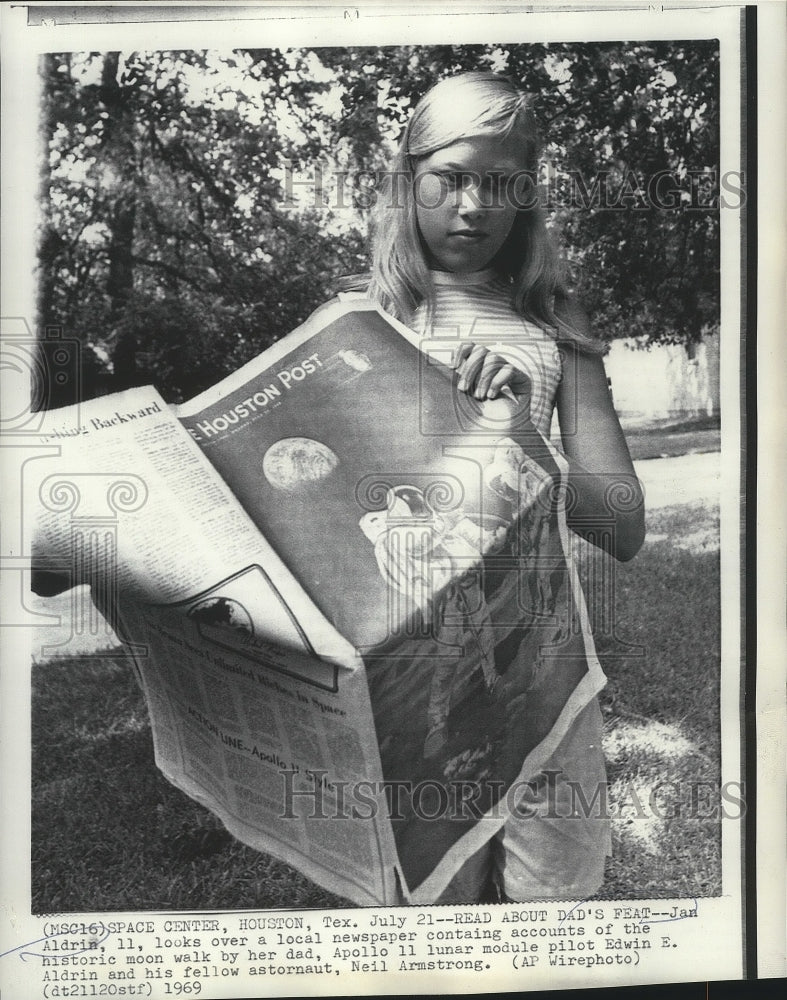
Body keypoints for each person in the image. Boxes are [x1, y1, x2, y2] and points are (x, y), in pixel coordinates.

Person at [341, 71, 645, 903]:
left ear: (526, 198)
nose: (473, 206)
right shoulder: (352, 331)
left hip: (538, 669)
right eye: (451, 178)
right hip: (405, 682)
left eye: (501, 183)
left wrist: (518, 437)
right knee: (433, 916)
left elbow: (622, 525)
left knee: (555, 905)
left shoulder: (555, 330)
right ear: (408, 182)